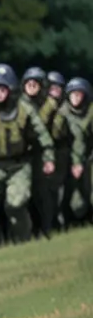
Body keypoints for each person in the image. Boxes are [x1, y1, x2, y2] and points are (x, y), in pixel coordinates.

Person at [0, 63, 55, 247]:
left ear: (10, 89)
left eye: (2, 89)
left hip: (20, 164)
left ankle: (23, 241)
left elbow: (42, 135)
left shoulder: (24, 109)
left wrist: (49, 158)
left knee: (16, 204)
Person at [33, 73, 86, 234]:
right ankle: (50, 227)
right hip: (44, 153)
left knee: (63, 193)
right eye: (52, 87)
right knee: (47, 194)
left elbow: (73, 134)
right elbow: (39, 126)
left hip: (63, 152)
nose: (55, 91)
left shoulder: (64, 107)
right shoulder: (41, 105)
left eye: (58, 88)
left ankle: (60, 225)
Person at [61, 77, 92, 225]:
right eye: (73, 94)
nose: (76, 97)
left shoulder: (91, 112)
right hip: (68, 161)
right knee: (76, 205)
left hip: (89, 159)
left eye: (79, 94)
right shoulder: (62, 113)